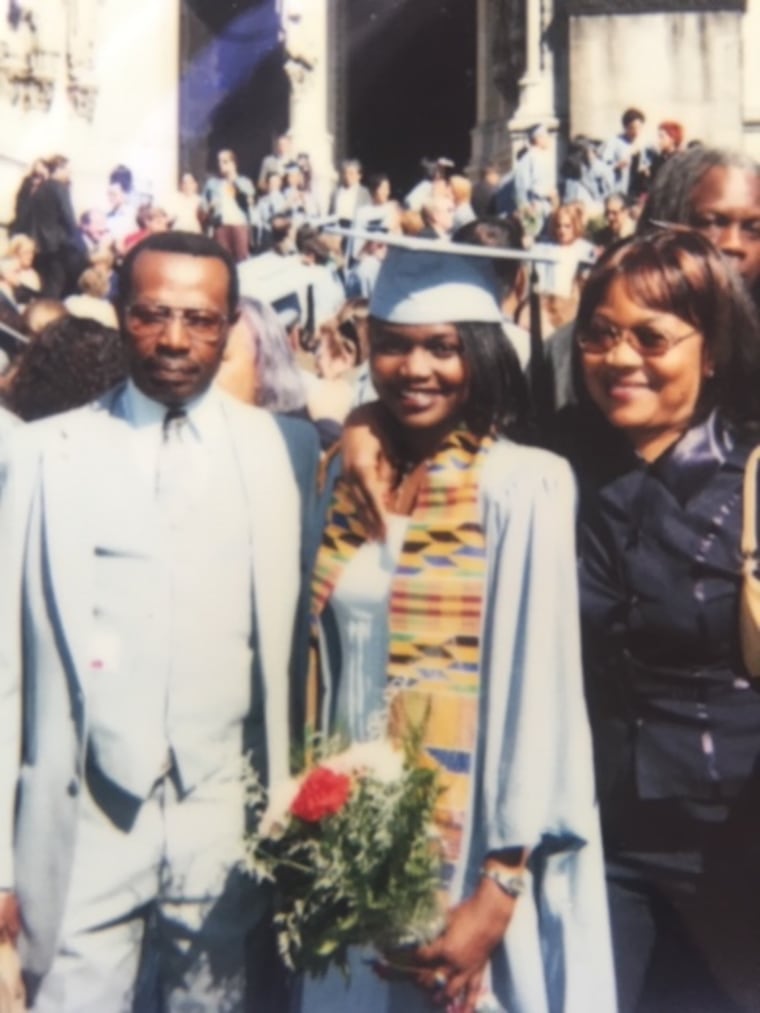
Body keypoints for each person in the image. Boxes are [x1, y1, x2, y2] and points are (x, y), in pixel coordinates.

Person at [0, 231, 319, 1011]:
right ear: (118, 314)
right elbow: (5, 667)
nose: (176, 340)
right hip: (85, 815)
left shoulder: (286, 450)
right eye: (151, 315)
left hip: (223, 814)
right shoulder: (45, 453)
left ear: (230, 323)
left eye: (201, 320)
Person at [296, 241, 616, 1013]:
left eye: (444, 347)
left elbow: (539, 690)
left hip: (473, 827)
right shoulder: (346, 471)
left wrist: (500, 885)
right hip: (352, 820)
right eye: (395, 346)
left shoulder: (524, 481)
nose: (417, 369)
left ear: (480, 355)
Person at [566, 230, 760, 1013]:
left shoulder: (751, 479)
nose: (621, 358)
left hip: (733, 844)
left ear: (710, 353)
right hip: (597, 836)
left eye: (651, 337)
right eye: (600, 334)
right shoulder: (556, 468)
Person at [202, 149, 256, 262]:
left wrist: (234, 183)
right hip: (221, 225)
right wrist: (210, 208)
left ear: (233, 164)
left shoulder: (244, 182)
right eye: (219, 161)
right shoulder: (212, 183)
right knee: (223, 261)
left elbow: (250, 203)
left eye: (225, 161)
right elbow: (203, 206)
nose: (220, 165)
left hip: (239, 224)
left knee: (242, 260)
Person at [602, 108, 648, 199]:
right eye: (633, 127)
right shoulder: (614, 142)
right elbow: (603, 167)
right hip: (619, 189)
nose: (636, 131)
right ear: (625, 127)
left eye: (639, 127)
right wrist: (617, 166)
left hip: (636, 190)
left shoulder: (642, 144)